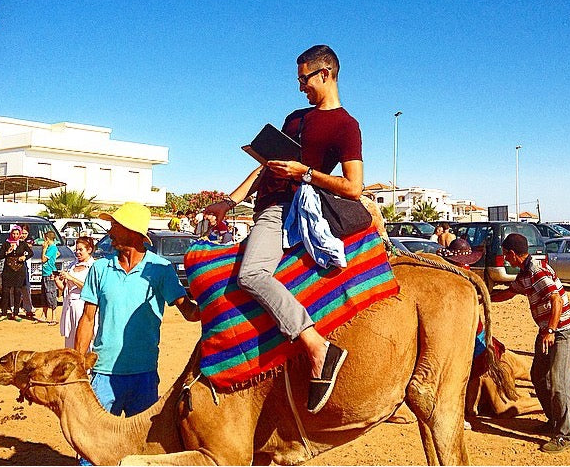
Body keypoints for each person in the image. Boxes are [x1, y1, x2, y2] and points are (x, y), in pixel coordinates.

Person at [203, 44, 362, 414]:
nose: (300, 87)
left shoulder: (346, 125)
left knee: (252, 275)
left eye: (304, 79)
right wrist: (230, 201)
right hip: (266, 206)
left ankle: (316, 346)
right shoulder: (295, 118)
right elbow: (265, 167)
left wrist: (304, 173)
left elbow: (355, 187)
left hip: (289, 208)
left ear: (325, 74)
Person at [75, 202, 200, 420]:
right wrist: (77, 363)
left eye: (115, 225)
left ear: (132, 232)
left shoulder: (160, 269)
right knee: (95, 448)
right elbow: (87, 319)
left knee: (141, 448)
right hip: (103, 372)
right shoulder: (100, 268)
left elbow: (189, 312)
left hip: (144, 375)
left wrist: (218, 300)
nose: (110, 231)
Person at [492, 233, 570, 453]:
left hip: (562, 332)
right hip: (547, 332)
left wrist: (550, 329)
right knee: (539, 376)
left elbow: (556, 300)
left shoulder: (536, 272)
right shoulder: (524, 274)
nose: (505, 259)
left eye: (505, 255)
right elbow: (510, 293)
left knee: (559, 383)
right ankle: (555, 420)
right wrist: (484, 295)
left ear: (512, 253)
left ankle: (565, 435)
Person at [55, 236, 96, 348]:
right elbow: (66, 290)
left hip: (83, 305)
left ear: (89, 250)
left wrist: (71, 278)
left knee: (84, 338)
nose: (77, 252)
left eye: (80, 250)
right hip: (69, 305)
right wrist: (58, 281)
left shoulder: (93, 267)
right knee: (70, 340)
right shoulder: (72, 265)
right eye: (76, 249)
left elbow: (90, 289)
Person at [0, 225, 32, 322]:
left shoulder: (23, 244)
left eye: (17, 234)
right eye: (13, 234)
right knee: (5, 292)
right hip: (8, 271)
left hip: (19, 271)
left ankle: (15, 313)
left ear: (19, 234)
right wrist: (7, 252)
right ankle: (3, 313)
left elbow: (30, 253)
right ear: (11, 234)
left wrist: (24, 257)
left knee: (17, 292)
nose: (15, 236)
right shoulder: (6, 244)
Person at [40, 231, 59, 325]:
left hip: (49, 273)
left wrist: (44, 249)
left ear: (47, 239)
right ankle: (44, 315)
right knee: (44, 294)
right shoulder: (53, 248)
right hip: (45, 273)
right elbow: (58, 253)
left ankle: (54, 317)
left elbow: (43, 260)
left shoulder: (51, 248)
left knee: (51, 293)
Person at [17, 225, 36, 320]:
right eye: (22, 233)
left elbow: (30, 253)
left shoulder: (29, 242)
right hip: (16, 268)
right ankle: (16, 308)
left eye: (25, 233)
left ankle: (28, 308)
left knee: (26, 288)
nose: (23, 235)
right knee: (16, 289)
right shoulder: (15, 242)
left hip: (26, 268)